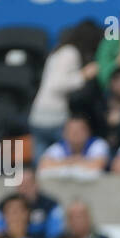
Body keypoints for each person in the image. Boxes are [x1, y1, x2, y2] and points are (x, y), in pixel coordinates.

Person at [29, 20, 101, 158]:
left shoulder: (59, 51)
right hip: (53, 117)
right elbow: (56, 84)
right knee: (56, 166)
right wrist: (84, 75)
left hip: (38, 115)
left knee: (43, 168)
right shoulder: (70, 53)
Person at [36, 116, 109, 180]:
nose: (75, 134)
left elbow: (98, 166)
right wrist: (75, 161)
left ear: (88, 132)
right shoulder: (58, 147)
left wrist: (63, 164)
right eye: (71, 131)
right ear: (64, 133)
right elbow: (43, 166)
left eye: (78, 131)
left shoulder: (98, 144)